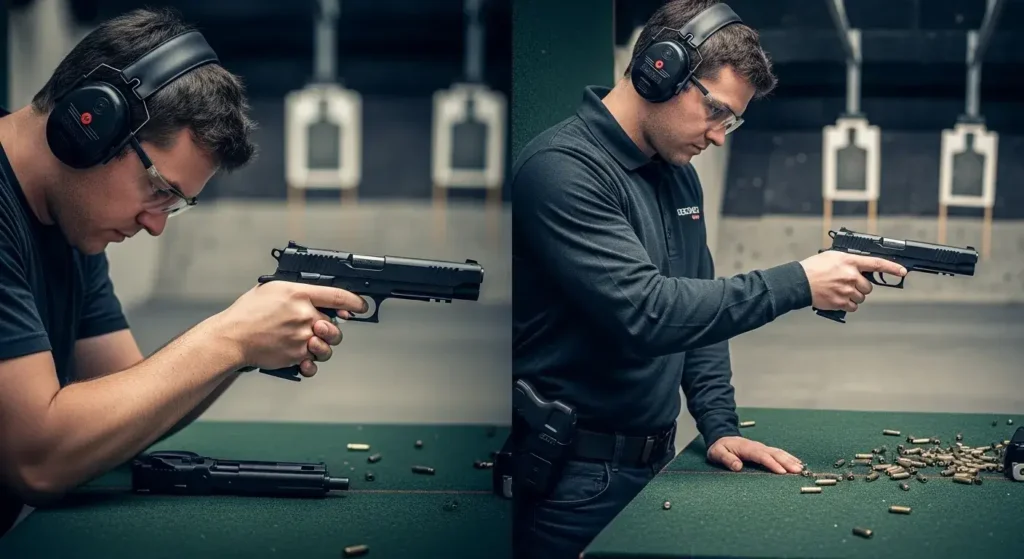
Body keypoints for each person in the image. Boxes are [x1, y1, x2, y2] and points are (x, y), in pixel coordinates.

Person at [509, 1, 908, 557]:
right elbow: (647, 314)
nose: (720, 136)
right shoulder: (562, 170)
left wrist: (718, 425)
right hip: (573, 480)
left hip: (657, 465)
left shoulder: (678, 178)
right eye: (716, 111)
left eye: (733, 120)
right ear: (659, 69)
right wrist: (797, 282)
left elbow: (696, 307)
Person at [0, 9, 367, 536]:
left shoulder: (68, 221)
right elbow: (39, 460)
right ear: (91, 121)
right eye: (158, 190)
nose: (155, 225)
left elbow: (129, 402)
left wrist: (251, 337)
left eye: (176, 203)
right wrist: (230, 339)